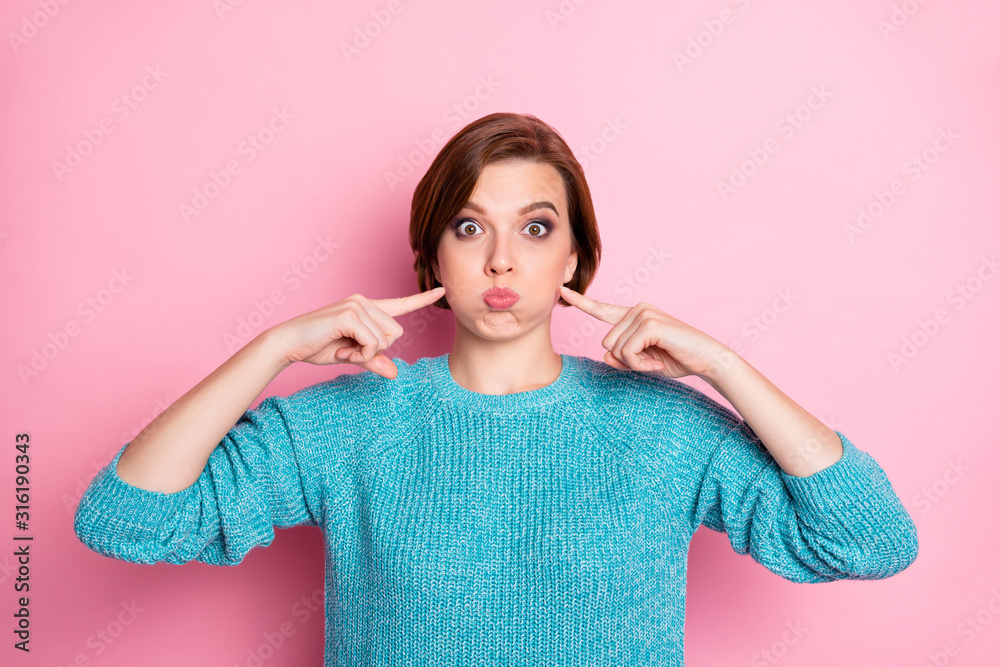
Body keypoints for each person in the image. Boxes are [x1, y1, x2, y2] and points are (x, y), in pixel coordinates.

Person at [74, 112, 919, 665]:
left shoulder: (665, 428)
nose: (502, 260)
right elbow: (123, 519)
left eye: (537, 228)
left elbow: (871, 541)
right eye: (469, 226)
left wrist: (725, 367)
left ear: (576, 258)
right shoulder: (353, 422)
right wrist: (272, 349)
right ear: (432, 256)